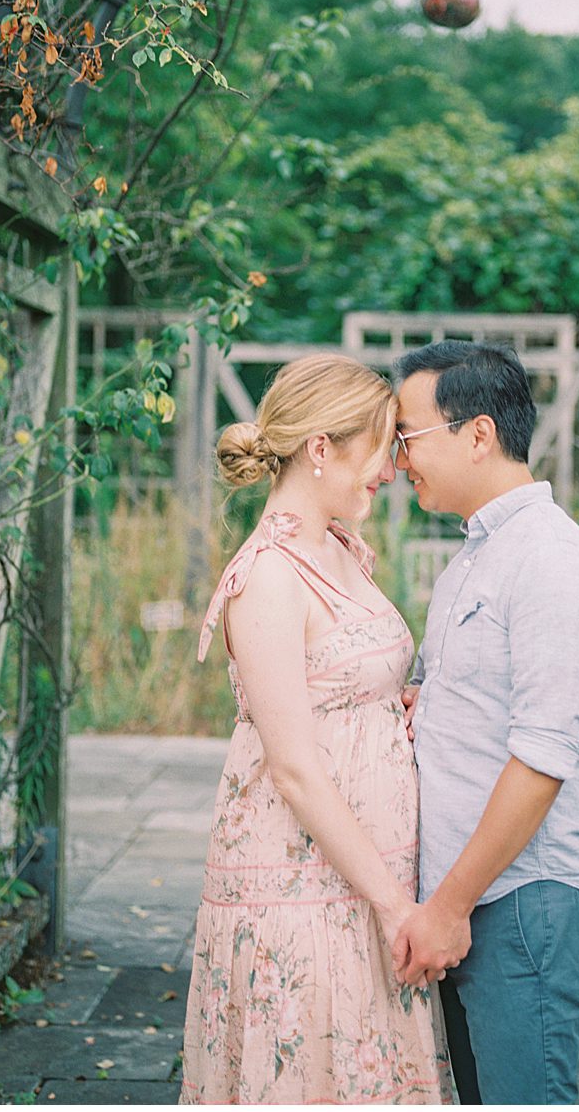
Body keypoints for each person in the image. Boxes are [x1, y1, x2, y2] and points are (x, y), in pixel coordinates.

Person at [180, 354, 453, 1105]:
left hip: (360, 883)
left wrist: (405, 703)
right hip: (301, 890)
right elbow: (294, 766)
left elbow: (353, 687)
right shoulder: (267, 576)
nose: (391, 471)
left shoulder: (337, 547)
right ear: (322, 447)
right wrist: (397, 906)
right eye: (381, 446)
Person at [390, 340, 579, 1106]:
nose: (398, 457)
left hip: (521, 898)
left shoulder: (552, 560)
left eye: (409, 435)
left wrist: (449, 906)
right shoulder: (471, 560)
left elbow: (544, 757)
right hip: (472, 895)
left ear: (478, 433)